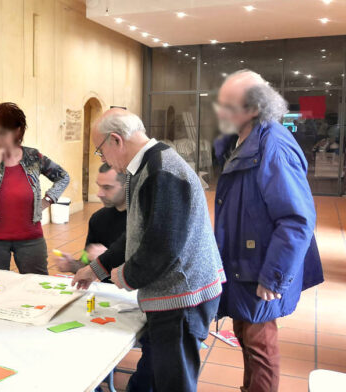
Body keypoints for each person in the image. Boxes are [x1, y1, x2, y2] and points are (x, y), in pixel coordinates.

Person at [73, 108, 225, 392]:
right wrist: (97, 267)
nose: (103, 159)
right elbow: (136, 233)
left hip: (183, 296)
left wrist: (124, 276)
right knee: (158, 377)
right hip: (175, 294)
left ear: (116, 140)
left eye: (100, 151)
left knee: (174, 384)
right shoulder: (145, 167)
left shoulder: (162, 171)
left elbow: (162, 247)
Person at [213, 70, 323, 392]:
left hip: (261, 269)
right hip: (244, 265)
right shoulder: (244, 139)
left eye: (229, 105)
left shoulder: (273, 145)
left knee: (260, 347)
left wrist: (273, 277)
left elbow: (297, 219)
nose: (221, 112)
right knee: (247, 339)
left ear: (255, 108)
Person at [0, 102, 70, 274]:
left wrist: (48, 200)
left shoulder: (34, 157)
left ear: (18, 131)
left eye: (2, 133)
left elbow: (63, 177)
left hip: (30, 239)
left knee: (37, 287)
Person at [55, 163, 126, 276]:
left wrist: (109, 256)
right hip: (108, 289)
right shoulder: (98, 219)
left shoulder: (143, 219)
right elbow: (85, 261)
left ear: (127, 186)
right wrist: (72, 264)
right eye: (99, 186)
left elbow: (151, 267)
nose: (99, 194)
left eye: (107, 187)